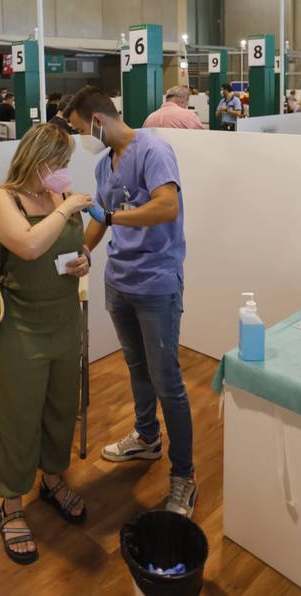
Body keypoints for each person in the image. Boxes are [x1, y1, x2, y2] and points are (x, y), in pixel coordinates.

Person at [67, 86, 197, 518]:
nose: (81, 138)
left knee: (167, 381)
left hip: (157, 283)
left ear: (97, 121)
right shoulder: (104, 164)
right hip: (119, 282)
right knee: (137, 367)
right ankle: (146, 437)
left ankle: (184, 476)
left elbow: (166, 207)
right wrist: (84, 251)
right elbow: (101, 219)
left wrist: (111, 217)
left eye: (80, 129)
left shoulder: (153, 151)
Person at [0, 124, 92, 564]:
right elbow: (29, 246)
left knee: (60, 407)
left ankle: (52, 478)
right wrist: (66, 208)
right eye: (60, 161)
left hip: (64, 318)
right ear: (38, 159)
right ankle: (11, 503)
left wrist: (83, 260)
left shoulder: (58, 196)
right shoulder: (3, 199)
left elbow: (70, 249)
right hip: (21, 327)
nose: (65, 170)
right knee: (18, 415)